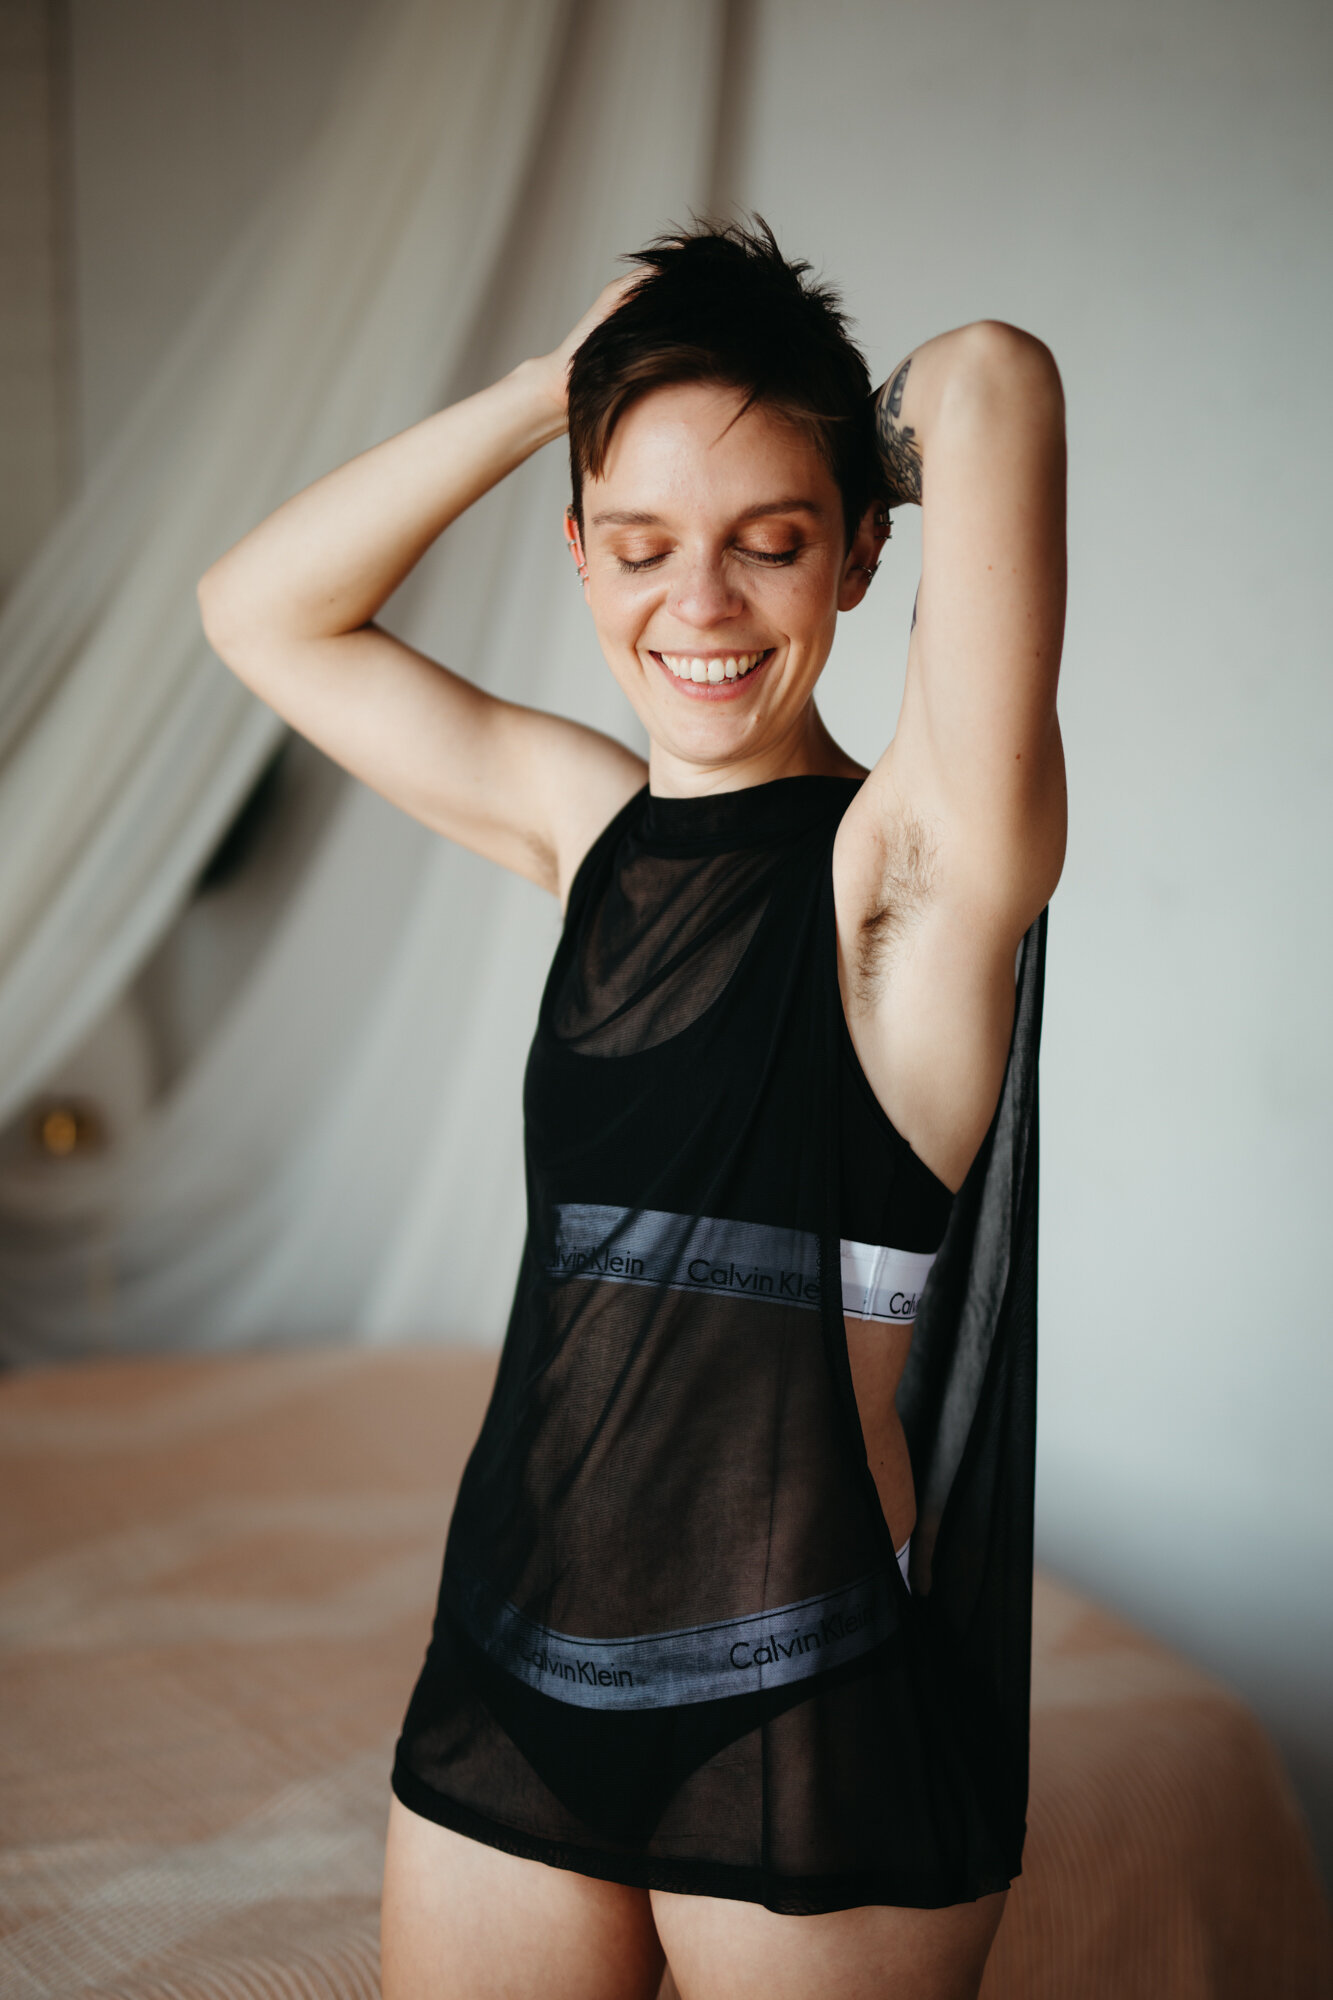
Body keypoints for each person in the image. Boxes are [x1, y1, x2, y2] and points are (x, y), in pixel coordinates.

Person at [198, 220, 1066, 2000]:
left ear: (857, 559)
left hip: (800, 1697)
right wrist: (551, 390)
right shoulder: (591, 831)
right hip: (511, 1675)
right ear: (579, 552)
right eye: (645, 545)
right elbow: (256, 611)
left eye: (771, 543)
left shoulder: (910, 875)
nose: (700, 606)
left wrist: (797, 405)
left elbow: (989, 378)